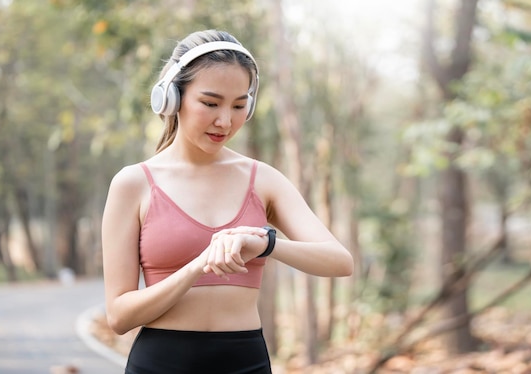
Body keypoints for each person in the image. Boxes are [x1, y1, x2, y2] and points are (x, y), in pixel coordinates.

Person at [101, 29, 354, 374]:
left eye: (238, 106)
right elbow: (118, 316)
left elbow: (339, 261)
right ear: (173, 98)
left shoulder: (262, 179)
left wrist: (265, 244)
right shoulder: (133, 184)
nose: (225, 121)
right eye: (210, 103)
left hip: (245, 362)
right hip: (160, 363)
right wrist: (196, 266)